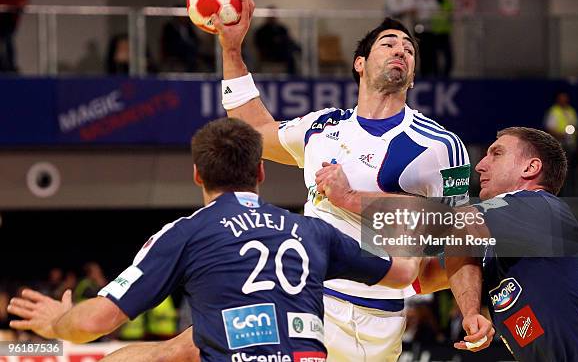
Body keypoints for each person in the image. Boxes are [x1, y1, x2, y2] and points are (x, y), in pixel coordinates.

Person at [211, 0, 489, 361]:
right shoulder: (321, 127)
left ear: (413, 73)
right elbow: (254, 130)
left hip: (382, 318)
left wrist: (470, 311)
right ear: (360, 63)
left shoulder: (442, 145)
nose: (401, 50)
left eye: (409, 49)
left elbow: (458, 240)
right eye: (388, 43)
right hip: (311, 301)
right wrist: (231, 50)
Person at [7, 117, 421, 361]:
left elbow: (94, 322)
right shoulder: (313, 230)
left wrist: (57, 323)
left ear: (197, 175)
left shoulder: (186, 233)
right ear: (260, 172)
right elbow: (404, 273)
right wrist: (370, 200)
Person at [404, 127, 578, 360]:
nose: (480, 165)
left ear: (530, 168)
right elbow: (422, 277)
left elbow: (457, 223)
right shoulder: (498, 244)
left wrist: (385, 199)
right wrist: (471, 312)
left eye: (496, 154)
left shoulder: (539, 206)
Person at [254, 7, 301, 75]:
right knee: (288, 54)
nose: (273, 17)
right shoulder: (261, 30)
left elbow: (288, 39)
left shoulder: (282, 28)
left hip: (283, 51)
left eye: (275, 15)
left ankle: (293, 77)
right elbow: (260, 44)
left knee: (292, 52)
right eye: (271, 15)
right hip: (269, 53)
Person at [0, 0, 29, 72]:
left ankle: (10, 67)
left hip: (10, 20)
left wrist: (14, 5)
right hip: (1, 18)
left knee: (8, 41)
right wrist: (13, 5)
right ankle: (2, 66)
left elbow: (21, 3)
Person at [411, 0, 438, 77]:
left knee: (430, 52)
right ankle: (421, 72)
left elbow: (435, 9)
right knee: (420, 51)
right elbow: (413, 9)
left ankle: (430, 72)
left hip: (429, 27)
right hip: (418, 27)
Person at [431, 0, 453, 77]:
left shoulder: (447, 2)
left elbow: (450, 15)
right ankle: (436, 75)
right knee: (434, 57)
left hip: (445, 32)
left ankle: (446, 75)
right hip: (434, 32)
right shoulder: (431, 2)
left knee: (448, 57)